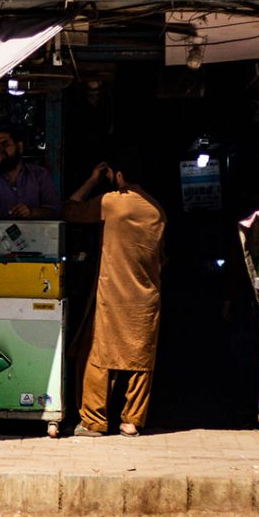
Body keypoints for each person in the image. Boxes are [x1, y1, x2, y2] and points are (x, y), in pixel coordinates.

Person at [63, 153, 167, 437]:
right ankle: (132, 421)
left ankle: (94, 421)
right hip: (146, 297)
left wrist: (92, 180)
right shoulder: (157, 210)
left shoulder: (112, 202)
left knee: (98, 354)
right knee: (140, 358)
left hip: (113, 294)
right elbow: (162, 258)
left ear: (119, 176)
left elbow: (71, 209)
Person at [0, 125, 61, 219]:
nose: (0, 151)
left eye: (5, 144)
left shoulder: (39, 174)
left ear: (19, 147)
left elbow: (55, 210)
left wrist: (32, 212)